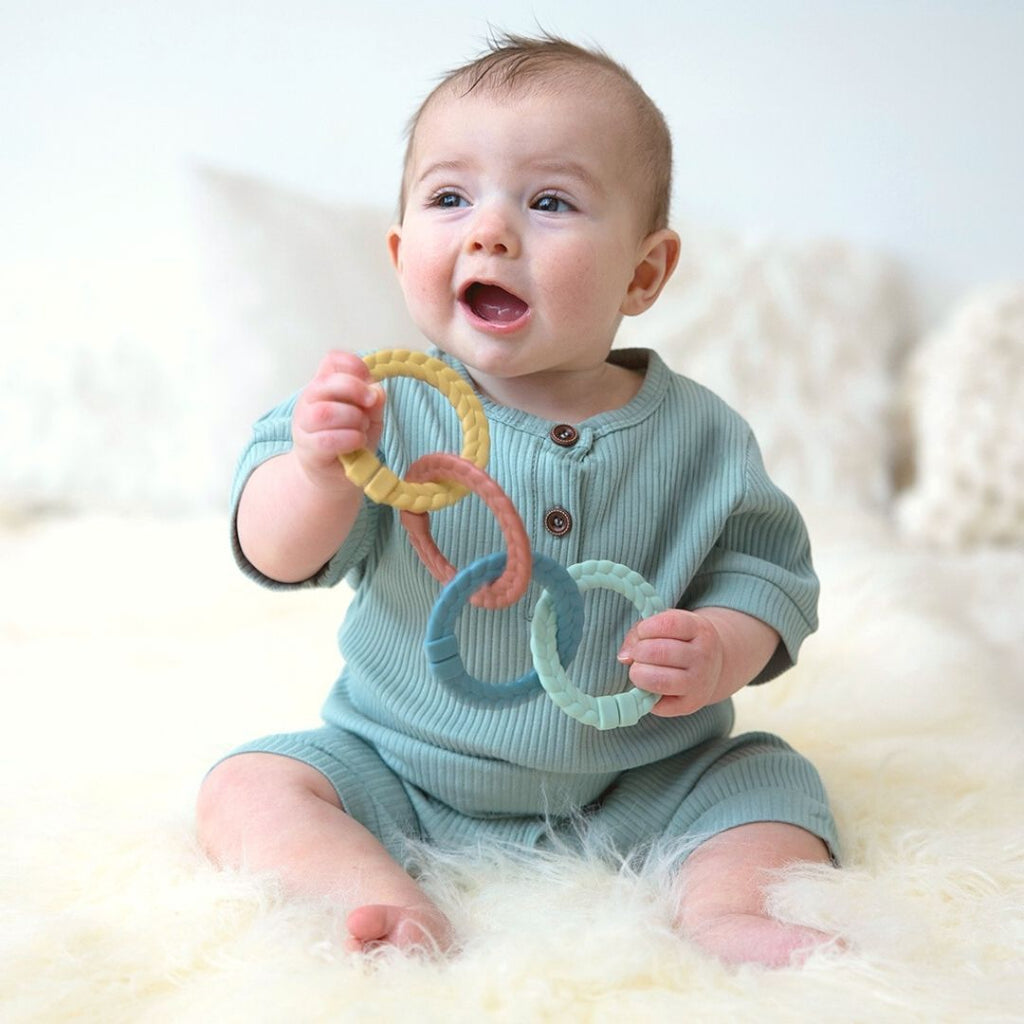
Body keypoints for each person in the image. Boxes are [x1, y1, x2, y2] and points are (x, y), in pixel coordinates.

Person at [196, 32, 840, 967]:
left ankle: (724, 911)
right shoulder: (381, 409)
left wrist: (718, 648)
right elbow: (274, 552)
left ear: (643, 273)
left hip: (645, 776)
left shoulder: (702, 435)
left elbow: (769, 577)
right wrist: (314, 474)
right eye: (449, 198)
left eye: (549, 202)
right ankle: (381, 897)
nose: (489, 232)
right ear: (401, 251)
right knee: (248, 785)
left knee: (773, 784)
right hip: (405, 770)